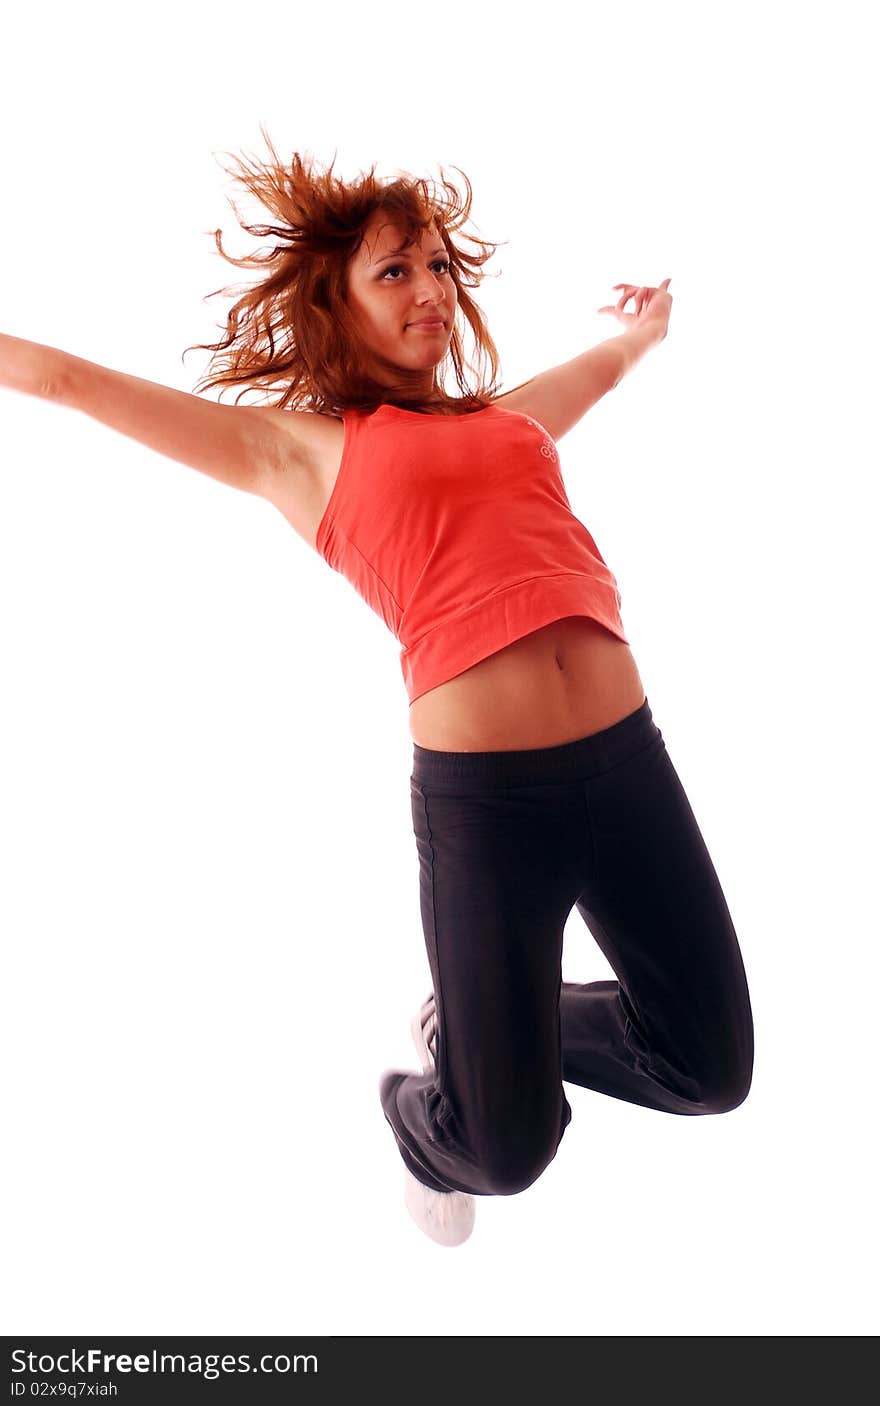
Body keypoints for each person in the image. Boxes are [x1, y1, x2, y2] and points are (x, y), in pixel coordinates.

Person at [0, 134, 754, 1249]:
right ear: (335, 304)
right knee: (504, 1149)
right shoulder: (295, 450)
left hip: (628, 766)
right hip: (490, 808)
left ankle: (482, 1026)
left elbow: (602, 369)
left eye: (439, 266)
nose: (429, 289)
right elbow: (64, 380)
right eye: (393, 271)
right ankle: (424, 1111)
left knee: (706, 1067)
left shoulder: (508, 420)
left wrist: (646, 328)